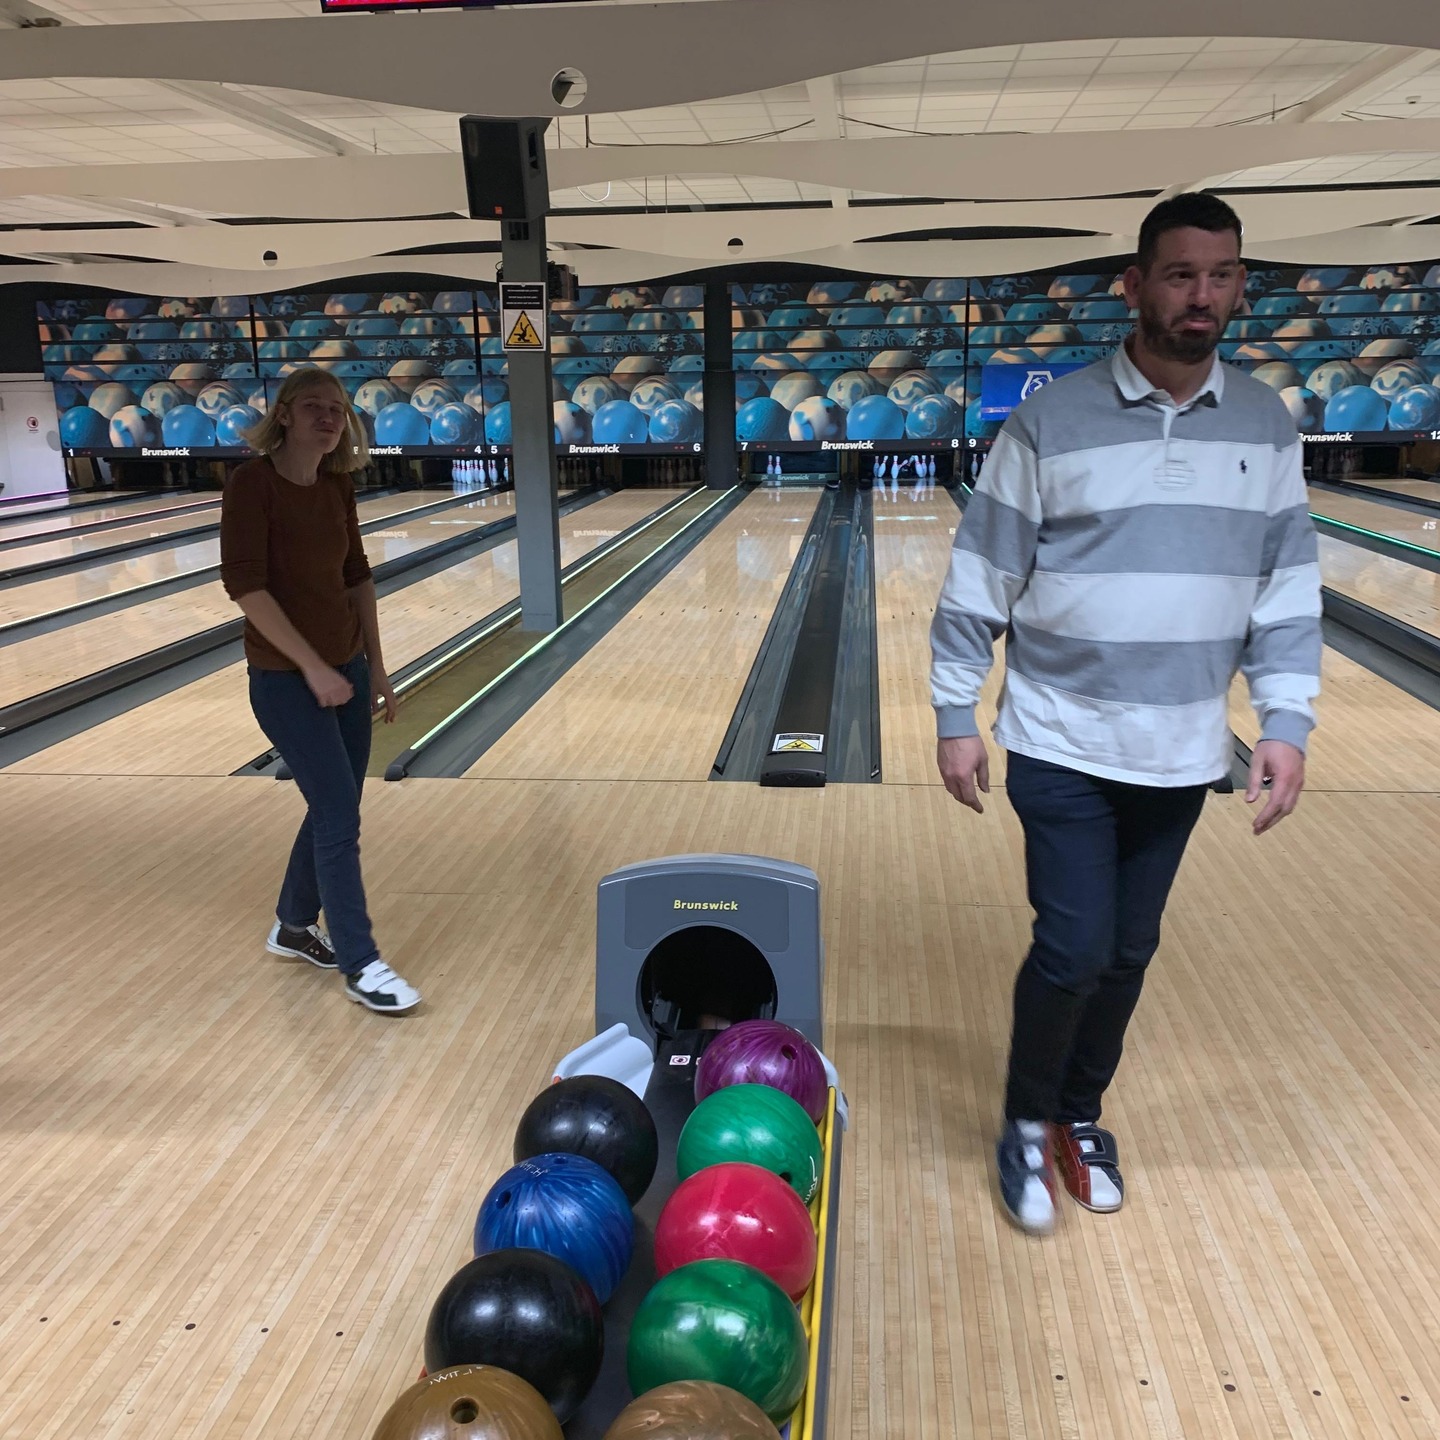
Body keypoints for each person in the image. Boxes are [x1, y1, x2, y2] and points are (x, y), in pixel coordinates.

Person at [930, 193, 1322, 1234]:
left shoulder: (1264, 425)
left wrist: (1285, 723)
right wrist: (953, 709)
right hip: (1059, 734)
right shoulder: (1050, 421)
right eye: (1182, 273)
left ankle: (1077, 1112)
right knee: (1072, 946)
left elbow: (1287, 590)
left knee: (1130, 950)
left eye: (1223, 274)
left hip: (1186, 745)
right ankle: (1023, 1123)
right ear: (1135, 284)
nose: (1203, 294)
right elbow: (982, 572)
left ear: (1241, 284)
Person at [220, 366, 421, 1015]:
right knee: (338, 812)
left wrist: (378, 669)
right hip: (284, 681)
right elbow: (245, 587)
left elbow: (357, 576)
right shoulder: (252, 485)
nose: (329, 418)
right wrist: (311, 666)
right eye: (314, 407)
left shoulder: (337, 485)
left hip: (348, 668)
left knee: (334, 804)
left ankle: (292, 925)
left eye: (337, 409)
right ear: (284, 415)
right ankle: (362, 964)